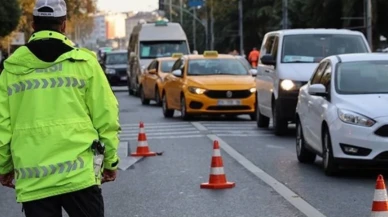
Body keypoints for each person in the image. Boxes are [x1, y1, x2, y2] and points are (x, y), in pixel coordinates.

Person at [0, 0, 120, 216]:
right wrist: (110, 161)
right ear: (64, 25)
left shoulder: (11, 70)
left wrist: (4, 167)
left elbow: (2, 126)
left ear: (33, 25)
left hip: (34, 180)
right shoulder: (84, 63)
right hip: (80, 177)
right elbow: (107, 116)